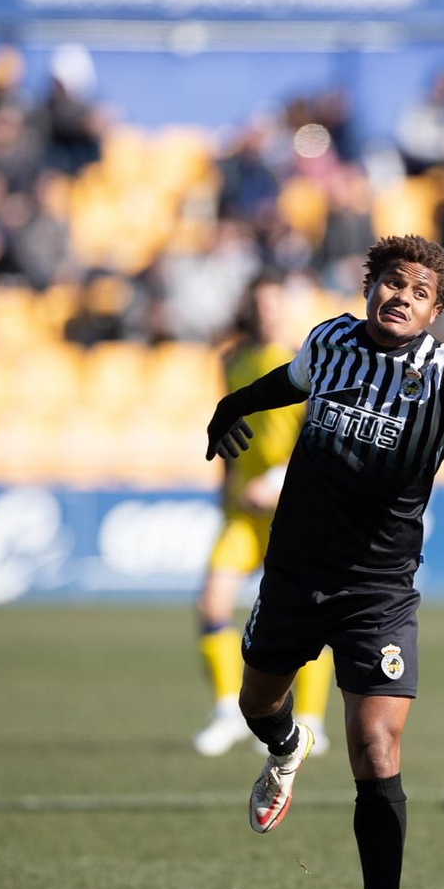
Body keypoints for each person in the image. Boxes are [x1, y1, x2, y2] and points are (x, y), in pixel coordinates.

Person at [202, 234, 444, 889]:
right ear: (369, 286)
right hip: (293, 575)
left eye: (419, 292)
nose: (401, 298)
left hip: (377, 592)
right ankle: (284, 748)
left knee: (376, 751)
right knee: (258, 704)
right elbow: (288, 383)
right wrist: (230, 406)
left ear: (436, 311)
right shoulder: (330, 341)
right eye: (392, 282)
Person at [193, 274, 333, 758]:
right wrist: (225, 486)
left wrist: (275, 481)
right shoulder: (231, 359)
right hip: (241, 512)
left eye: (276, 305)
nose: (268, 313)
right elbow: (228, 427)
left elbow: (317, 434)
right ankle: (227, 712)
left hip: (290, 510)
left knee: (309, 620)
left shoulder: (306, 362)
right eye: (261, 305)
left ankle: (311, 719)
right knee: (212, 604)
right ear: (250, 308)